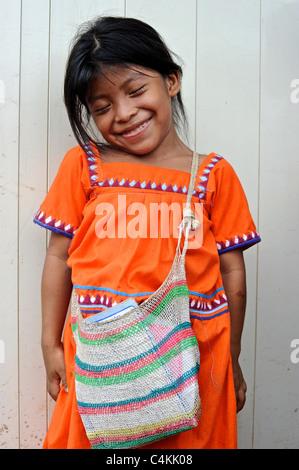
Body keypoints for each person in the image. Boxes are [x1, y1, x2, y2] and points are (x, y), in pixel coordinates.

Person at [34, 16, 261, 449]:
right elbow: (59, 257)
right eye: (101, 107)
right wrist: (49, 343)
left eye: (136, 91)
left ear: (171, 81)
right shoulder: (84, 167)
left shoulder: (213, 175)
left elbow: (233, 273)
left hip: (196, 351)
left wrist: (231, 354)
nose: (123, 114)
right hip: (103, 350)